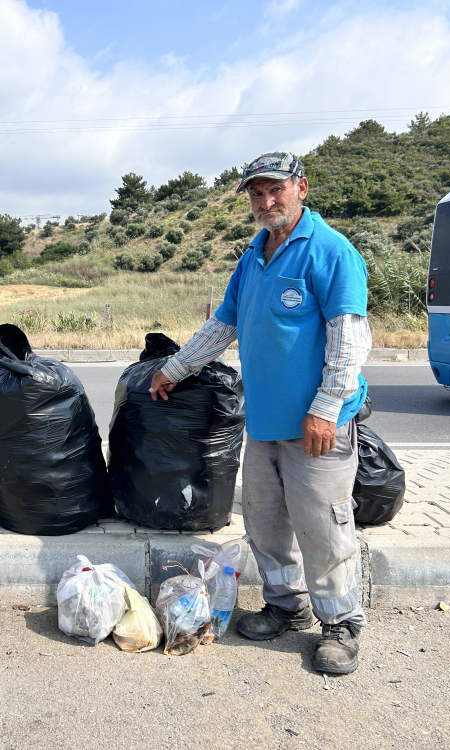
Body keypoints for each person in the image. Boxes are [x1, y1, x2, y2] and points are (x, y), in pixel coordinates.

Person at [150, 151, 372, 674]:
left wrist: (325, 407)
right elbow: (223, 325)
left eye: (275, 190)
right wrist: (174, 368)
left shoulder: (330, 251)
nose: (265, 201)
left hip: (318, 426)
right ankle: (285, 606)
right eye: (256, 193)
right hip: (266, 423)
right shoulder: (252, 257)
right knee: (266, 523)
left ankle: (341, 624)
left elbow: (349, 339)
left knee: (323, 526)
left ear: (301, 188)